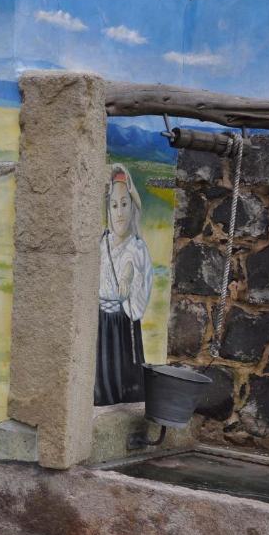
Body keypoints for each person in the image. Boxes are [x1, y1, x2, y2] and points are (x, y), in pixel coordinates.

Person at [95, 164, 153, 406]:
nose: (119, 212)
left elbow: (132, 266)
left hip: (122, 324)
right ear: (107, 210)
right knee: (99, 381)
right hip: (100, 324)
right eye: (114, 205)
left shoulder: (136, 247)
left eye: (124, 204)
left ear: (133, 207)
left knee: (124, 384)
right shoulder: (101, 242)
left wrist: (127, 277)